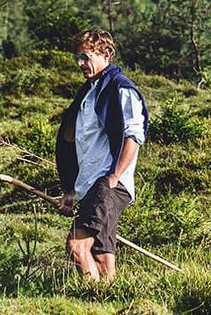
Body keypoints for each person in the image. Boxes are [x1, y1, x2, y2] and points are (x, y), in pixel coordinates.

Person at [55, 29, 148, 281]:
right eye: (78, 58)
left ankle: (91, 299)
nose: (81, 64)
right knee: (102, 256)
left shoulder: (121, 89)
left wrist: (114, 177)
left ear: (106, 54)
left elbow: (134, 137)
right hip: (91, 185)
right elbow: (73, 141)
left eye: (86, 57)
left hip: (108, 184)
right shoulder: (87, 93)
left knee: (77, 246)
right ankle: (110, 299)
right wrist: (71, 190)